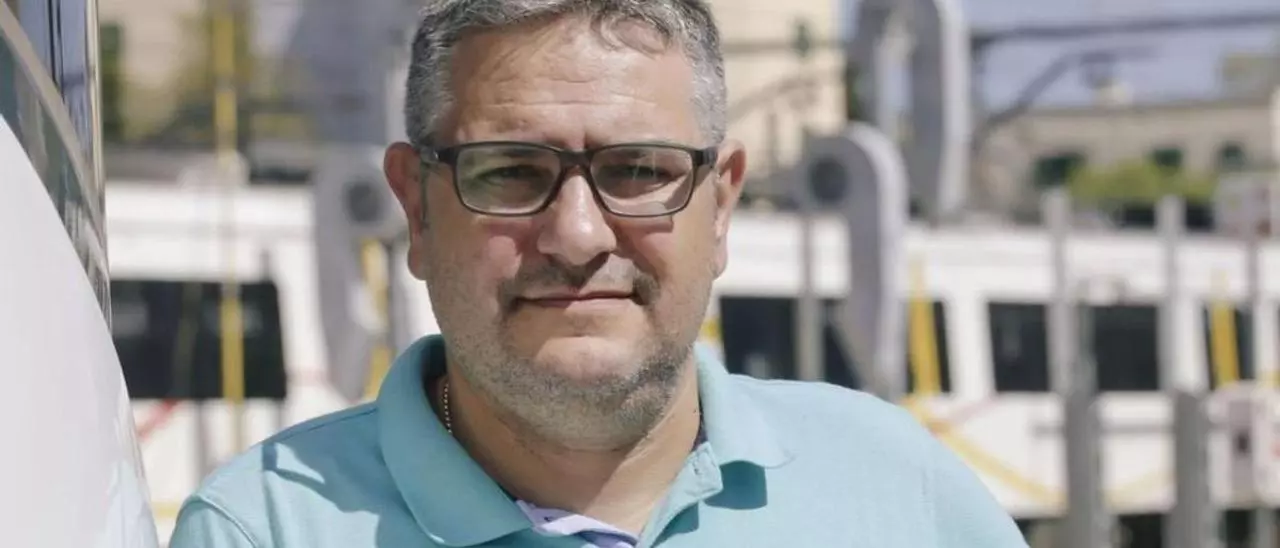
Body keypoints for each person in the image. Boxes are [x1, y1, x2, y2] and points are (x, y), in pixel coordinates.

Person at [169, 0, 1028, 546]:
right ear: (417, 210)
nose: (577, 236)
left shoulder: (898, 492)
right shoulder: (264, 528)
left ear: (720, 208)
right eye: (510, 172)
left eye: (638, 170)